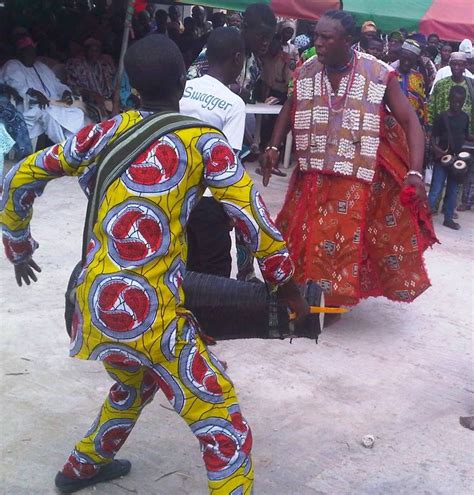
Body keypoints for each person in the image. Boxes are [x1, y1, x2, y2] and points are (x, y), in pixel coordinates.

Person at [0, 34, 308, 495]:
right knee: (224, 426)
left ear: (130, 86)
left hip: (91, 305)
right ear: (185, 79)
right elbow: (251, 217)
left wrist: (19, 244)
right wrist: (286, 287)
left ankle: (80, 467)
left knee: (134, 385)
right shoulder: (204, 141)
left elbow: (21, 175)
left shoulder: (102, 132)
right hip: (152, 313)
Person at [261, 10, 437, 308]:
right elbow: (290, 107)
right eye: (317, 35)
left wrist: (416, 173)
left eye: (327, 37)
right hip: (311, 171)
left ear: (350, 41)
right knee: (301, 235)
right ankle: (306, 295)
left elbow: (410, 121)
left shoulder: (379, 73)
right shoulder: (306, 70)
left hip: (355, 175)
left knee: (339, 241)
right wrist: (273, 147)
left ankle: (325, 303)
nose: (319, 43)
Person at [180, 27, 246, 277]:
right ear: (237, 58)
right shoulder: (233, 104)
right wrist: (230, 210)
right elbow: (227, 166)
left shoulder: (183, 88)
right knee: (214, 275)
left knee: (182, 265)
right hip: (208, 199)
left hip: (176, 193)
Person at [1, 36, 85, 144]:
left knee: (77, 112)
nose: (32, 55)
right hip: (28, 105)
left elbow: (56, 83)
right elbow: (16, 85)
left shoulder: (41, 66)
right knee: (49, 114)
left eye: (33, 51)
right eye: (28, 52)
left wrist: (65, 91)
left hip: (53, 102)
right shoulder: (13, 65)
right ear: (21, 53)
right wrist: (35, 93)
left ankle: (75, 143)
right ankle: (63, 146)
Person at [428, 85, 472, 229]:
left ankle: (448, 218)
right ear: (449, 99)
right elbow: (433, 138)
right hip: (442, 159)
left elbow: (466, 136)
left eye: (460, 102)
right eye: (454, 101)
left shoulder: (465, 117)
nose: (457, 104)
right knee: (436, 189)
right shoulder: (442, 117)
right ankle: (423, 217)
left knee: (453, 191)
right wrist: (437, 150)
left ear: (464, 101)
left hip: (457, 161)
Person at [66, 38, 116, 121]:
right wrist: (92, 94)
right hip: (87, 101)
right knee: (101, 116)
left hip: (106, 99)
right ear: (85, 51)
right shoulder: (75, 65)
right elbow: (72, 87)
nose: (94, 53)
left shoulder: (103, 64)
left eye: (97, 50)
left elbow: (112, 82)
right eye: (91, 50)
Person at [392, 41, 428, 127]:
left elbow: (422, 102)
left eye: (410, 60)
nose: (407, 63)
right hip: (392, 122)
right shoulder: (390, 74)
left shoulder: (419, 77)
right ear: (399, 57)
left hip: (413, 123)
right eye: (404, 59)